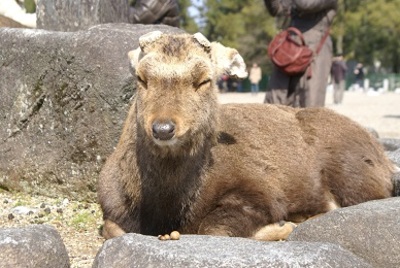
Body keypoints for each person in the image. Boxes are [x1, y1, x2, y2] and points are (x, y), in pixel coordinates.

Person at [264, 0, 337, 107]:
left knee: (309, 102)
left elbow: (306, 5)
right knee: (275, 99)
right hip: (289, 48)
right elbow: (276, 10)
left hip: (315, 50)